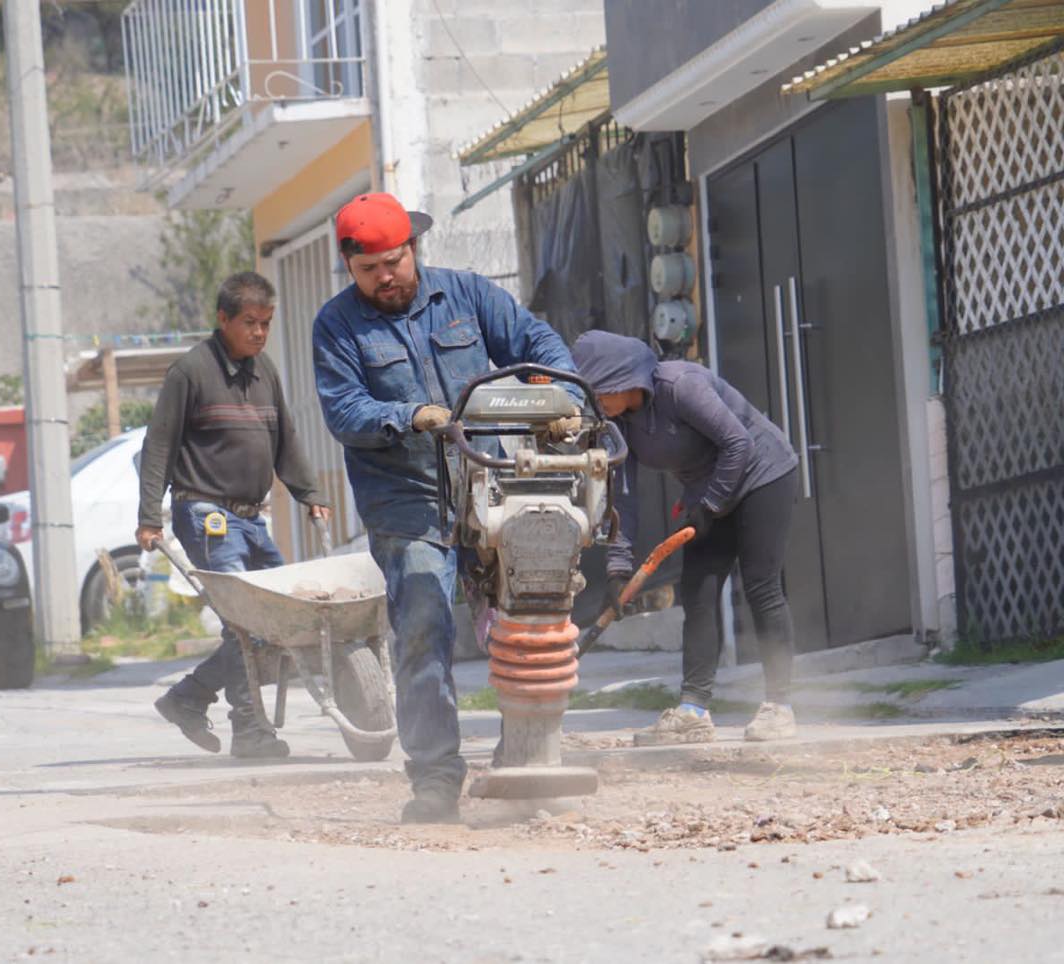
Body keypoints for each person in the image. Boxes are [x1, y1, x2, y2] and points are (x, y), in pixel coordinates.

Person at [313, 192, 583, 823]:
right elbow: (344, 410)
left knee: (533, 613)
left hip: (489, 482)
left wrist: (560, 392)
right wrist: (408, 416)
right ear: (350, 269)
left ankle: (529, 762)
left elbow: (532, 339)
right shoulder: (337, 326)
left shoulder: (467, 295)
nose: (385, 277)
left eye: (394, 261)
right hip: (406, 500)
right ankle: (434, 780)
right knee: (425, 625)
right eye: (369, 269)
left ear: (414, 248)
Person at [570, 330, 800, 745]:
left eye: (597, 392)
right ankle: (693, 709)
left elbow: (738, 443)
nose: (594, 404)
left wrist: (710, 505)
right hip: (709, 495)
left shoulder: (680, 386)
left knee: (762, 587)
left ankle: (779, 706)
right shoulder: (618, 424)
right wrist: (618, 570)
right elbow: (623, 495)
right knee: (698, 594)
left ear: (621, 381)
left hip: (763, 475)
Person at [137, 271, 332, 759]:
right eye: (250, 322)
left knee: (280, 619)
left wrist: (310, 492)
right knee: (244, 624)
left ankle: (188, 697)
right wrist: (149, 516)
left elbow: (284, 437)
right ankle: (250, 730)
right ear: (223, 319)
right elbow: (158, 444)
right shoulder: (191, 372)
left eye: (266, 322)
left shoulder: (265, 371)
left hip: (251, 517)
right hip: (206, 515)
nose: (260, 332)